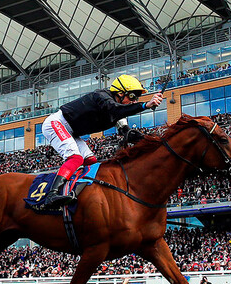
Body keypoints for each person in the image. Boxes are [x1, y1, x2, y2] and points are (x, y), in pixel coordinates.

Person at [37, 74, 163, 209]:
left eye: (136, 98)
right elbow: (114, 109)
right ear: (120, 93)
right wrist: (145, 105)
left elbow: (128, 133)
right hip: (56, 123)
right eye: (132, 97)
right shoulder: (101, 97)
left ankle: (78, 192)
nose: (134, 101)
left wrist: (155, 142)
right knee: (75, 158)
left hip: (72, 132)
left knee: (91, 161)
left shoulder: (117, 112)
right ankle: (52, 195)